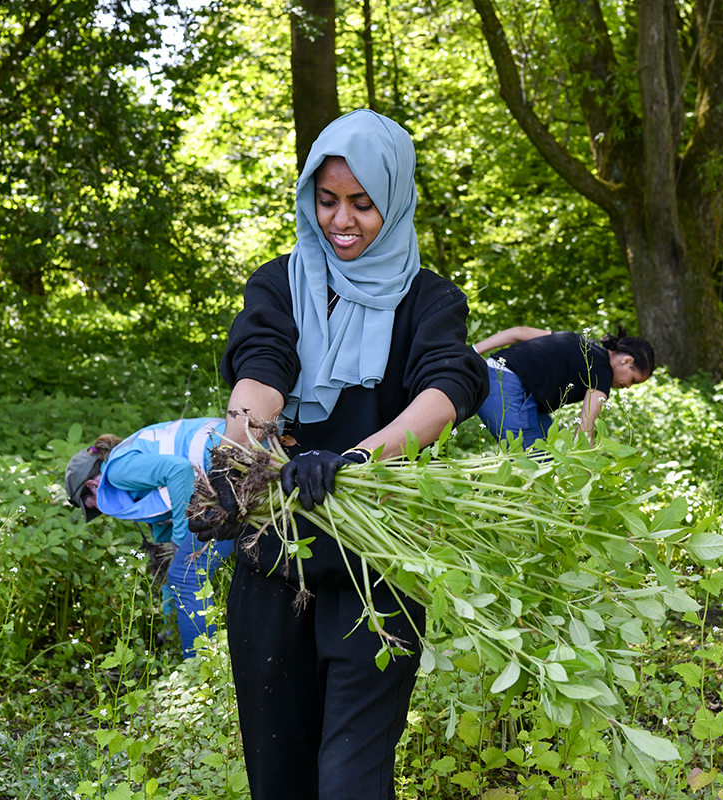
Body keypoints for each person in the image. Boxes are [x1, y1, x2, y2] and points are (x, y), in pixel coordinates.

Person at [202, 109, 488, 800]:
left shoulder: (429, 299)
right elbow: (264, 363)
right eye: (327, 200)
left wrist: (358, 459)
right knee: (281, 776)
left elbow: (450, 384)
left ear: (395, 198)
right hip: (277, 557)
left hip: (378, 565)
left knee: (351, 780)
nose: (343, 220)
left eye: (363, 203)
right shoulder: (280, 283)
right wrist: (240, 441)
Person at [63, 419, 237, 659]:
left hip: (233, 460)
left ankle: (201, 671)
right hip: (228, 478)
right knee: (182, 572)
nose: (98, 511)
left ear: (92, 486)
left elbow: (179, 471)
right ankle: (190, 653)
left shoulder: (117, 470)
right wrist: (167, 622)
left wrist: (180, 538)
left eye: (90, 505)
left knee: (188, 575)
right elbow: (168, 562)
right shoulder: (136, 489)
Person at [472, 326, 655, 448]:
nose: (628, 387)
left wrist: (472, 352)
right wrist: (587, 473)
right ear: (626, 361)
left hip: (492, 372)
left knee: (555, 448)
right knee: (535, 467)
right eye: (634, 380)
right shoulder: (603, 370)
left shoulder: (579, 341)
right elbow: (584, 431)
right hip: (507, 387)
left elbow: (518, 332)